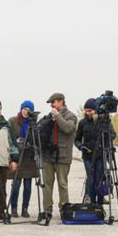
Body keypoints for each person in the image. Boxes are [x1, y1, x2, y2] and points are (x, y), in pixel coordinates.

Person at [42, 93, 78, 221]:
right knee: (47, 184)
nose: (52, 105)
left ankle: (64, 208)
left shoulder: (71, 116)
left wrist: (57, 116)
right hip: (48, 155)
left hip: (63, 156)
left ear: (61, 102)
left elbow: (68, 129)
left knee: (62, 183)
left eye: (53, 102)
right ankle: (47, 210)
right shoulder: (49, 116)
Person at [75, 98, 116, 206]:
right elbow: (77, 139)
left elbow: (113, 134)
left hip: (101, 155)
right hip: (87, 156)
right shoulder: (82, 123)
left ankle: (100, 202)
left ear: (95, 110)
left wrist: (105, 131)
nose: (88, 113)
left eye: (90, 110)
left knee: (99, 178)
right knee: (91, 178)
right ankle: (91, 202)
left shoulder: (104, 122)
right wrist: (80, 146)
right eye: (86, 110)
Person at [8, 101, 38, 217]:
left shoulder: (33, 123)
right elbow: (9, 137)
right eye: (24, 109)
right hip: (17, 155)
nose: (26, 111)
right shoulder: (13, 121)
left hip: (29, 156)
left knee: (28, 185)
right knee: (16, 184)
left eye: (28, 109)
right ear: (21, 109)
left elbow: (36, 137)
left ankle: (25, 208)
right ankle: (13, 208)